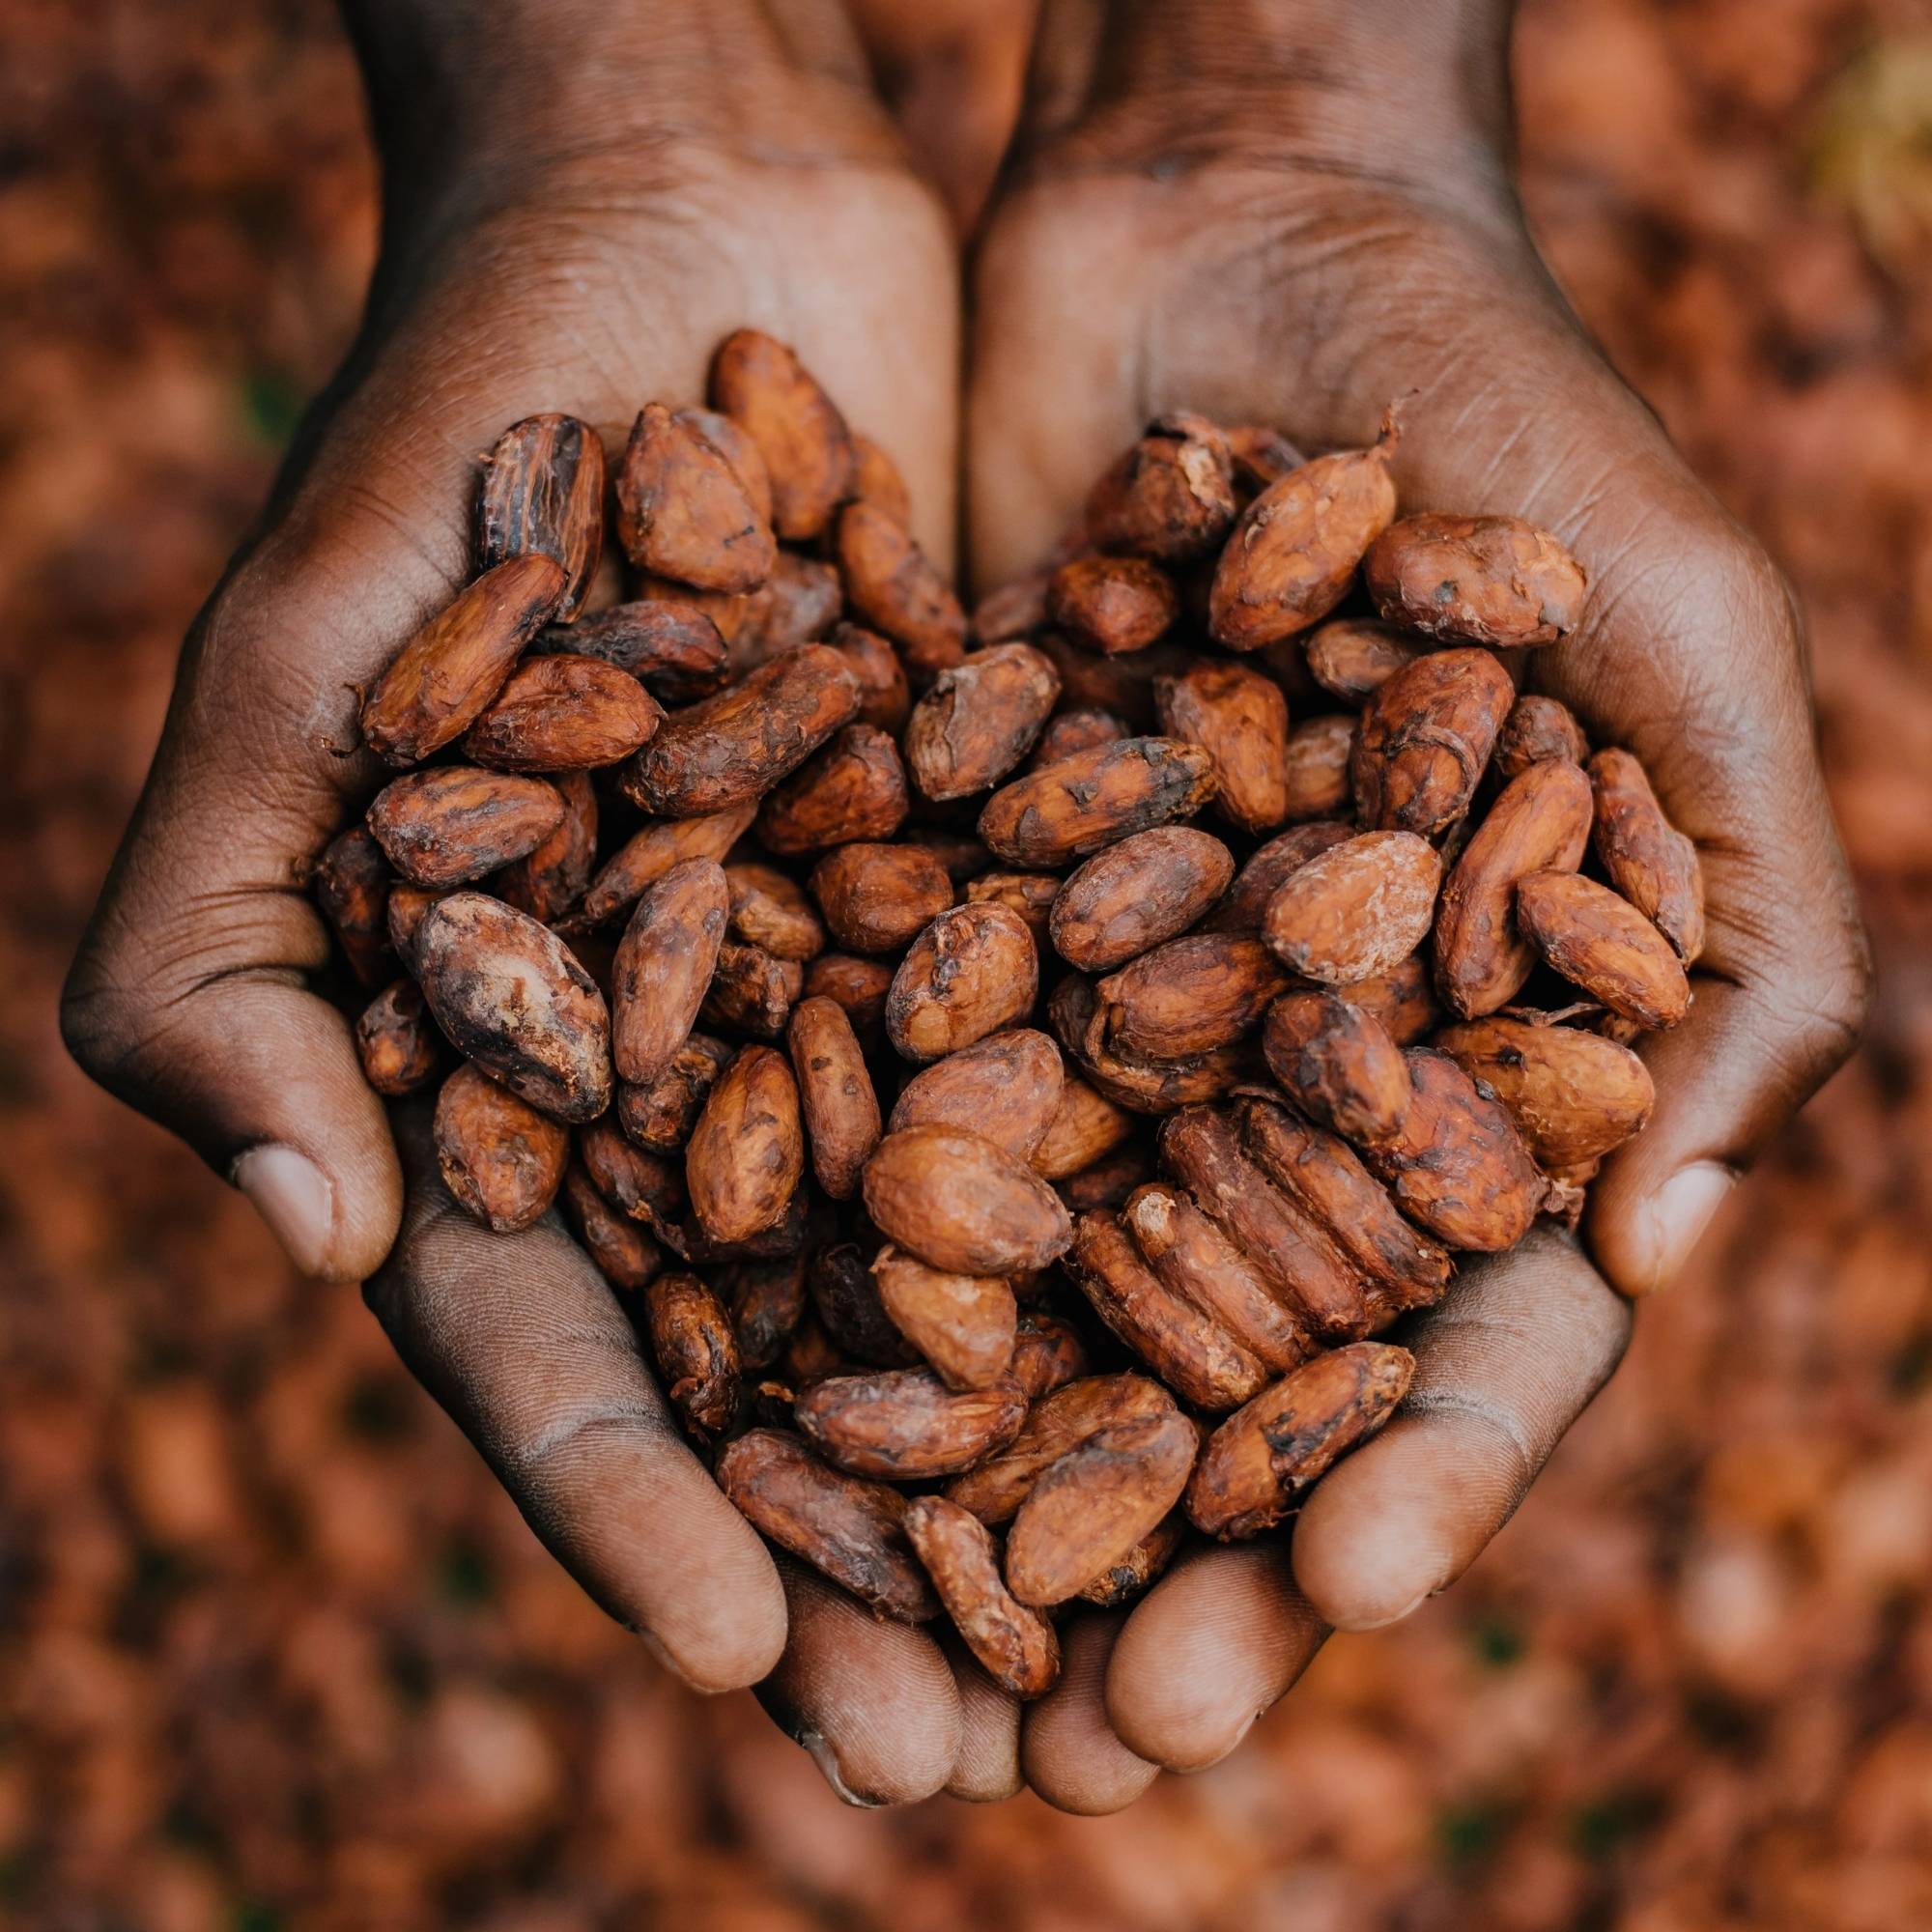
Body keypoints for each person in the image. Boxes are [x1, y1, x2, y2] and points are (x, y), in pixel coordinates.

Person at [60, 0, 1870, 1812]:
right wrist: (610, 131)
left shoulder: (1270, 921)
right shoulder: (830, 880)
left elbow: (1136, 987)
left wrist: (1298, 133)